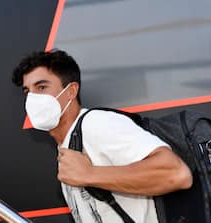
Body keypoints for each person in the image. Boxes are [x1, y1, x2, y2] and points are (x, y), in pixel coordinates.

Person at [11, 49, 193, 223]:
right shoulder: (67, 148)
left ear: (71, 91)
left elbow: (176, 173)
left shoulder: (96, 124)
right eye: (27, 91)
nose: (33, 99)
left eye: (42, 87)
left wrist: (89, 174)